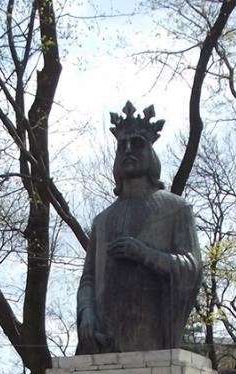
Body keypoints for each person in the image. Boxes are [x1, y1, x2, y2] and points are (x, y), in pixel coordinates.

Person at [76, 101, 201, 355]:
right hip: (105, 339)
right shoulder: (102, 220)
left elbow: (191, 268)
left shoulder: (176, 209)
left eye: (137, 144)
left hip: (152, 336)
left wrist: (145, 254)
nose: (128, 150)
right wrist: (87, 313)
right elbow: (88, 279)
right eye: (122, 145)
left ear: (151, 153)